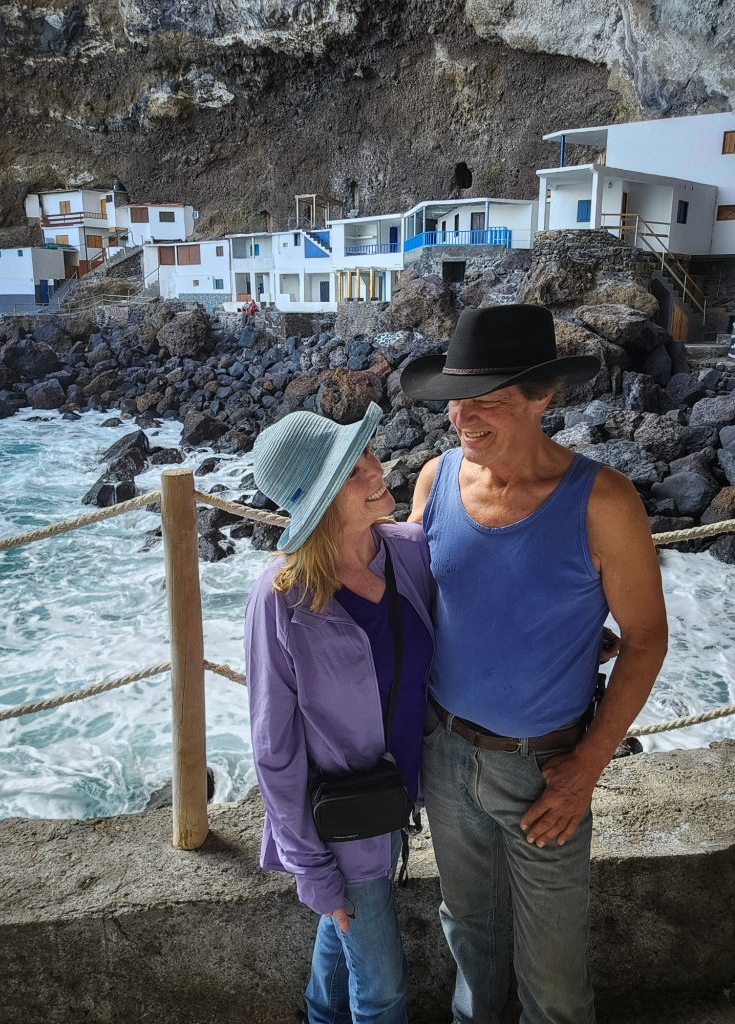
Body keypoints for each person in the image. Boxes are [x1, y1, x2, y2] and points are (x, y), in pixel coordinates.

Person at [401, 304, 668, 1024]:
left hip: (546, 771)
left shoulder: (603, 501)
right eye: (457, 397)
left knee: (553, 982)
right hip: (446, 753)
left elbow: (645, 637)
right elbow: (430, 610)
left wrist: (585, 769)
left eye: (486, 398)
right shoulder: (433, 480)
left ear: (543, 396)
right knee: (470, 947)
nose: (462, 416)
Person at [244, 402, 434, 1024]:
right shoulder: (281, 598)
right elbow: (274, 747)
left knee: (343, 947)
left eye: (368, 453)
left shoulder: (407, 551)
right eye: (354, 468)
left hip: (396, 800)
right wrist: (311, 869)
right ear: (321, 499)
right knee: (381, 992)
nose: (378, 468)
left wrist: (577, 640)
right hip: (342, 826)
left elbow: (471, 629)